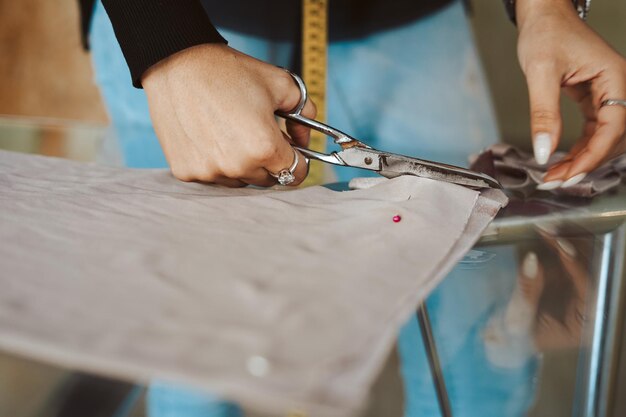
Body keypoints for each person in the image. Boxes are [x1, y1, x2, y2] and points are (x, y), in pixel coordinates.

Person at [80, 0, 626, 416]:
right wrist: (164, 39)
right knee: (192, 347)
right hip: (191, 24)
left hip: (413, 18)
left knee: (480, 341)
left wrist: (546, 6)